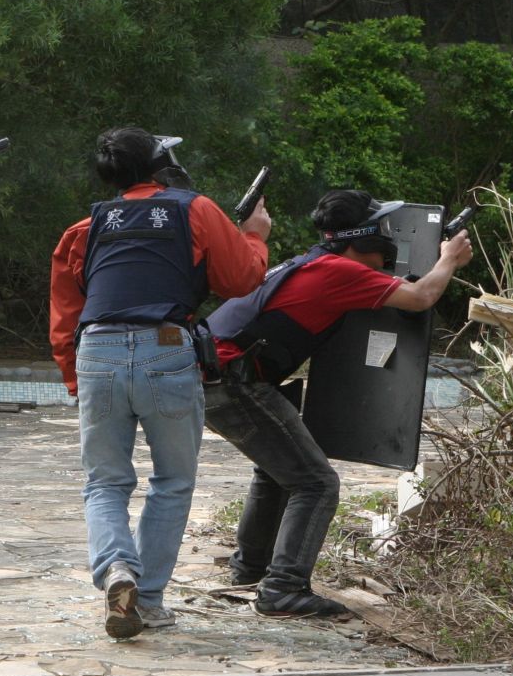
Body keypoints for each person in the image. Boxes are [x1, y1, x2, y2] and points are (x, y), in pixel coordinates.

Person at [202, 189, 474, 618]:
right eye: (381, 228)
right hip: (234, 382)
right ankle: (282, 589)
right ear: (360, 237)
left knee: (277, 473)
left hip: (213, 376)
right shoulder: (341, 271)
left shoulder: (312, 262)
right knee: (317, 484)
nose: (389, 237)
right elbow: (421, 296)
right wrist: (449, 259)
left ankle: (250, 571)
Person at [49, 127, 271, 638]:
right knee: (171, 480)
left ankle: (116, 568)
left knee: (104, 481)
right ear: (162, 165)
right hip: (167, 346)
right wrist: (255, 234)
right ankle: (146, 600)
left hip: (96, 349)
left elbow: (65, 312)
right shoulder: (196, 210)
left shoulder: (85, 227)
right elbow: (241, 280)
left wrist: (75, 378)